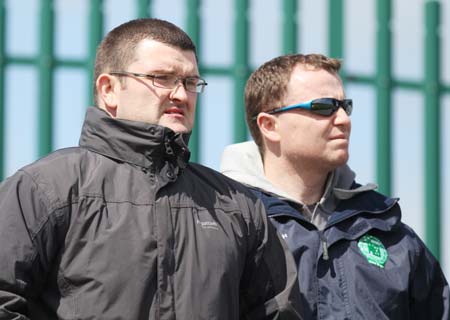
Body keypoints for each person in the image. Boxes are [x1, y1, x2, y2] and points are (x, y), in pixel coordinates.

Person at [0, 18, 303, 320]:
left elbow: (278, 311)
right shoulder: (46, 187)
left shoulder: (237, 204)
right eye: (162, 78)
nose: (181, 95)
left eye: (190, 82)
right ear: (109, 89)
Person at [220, 53, 450, 319]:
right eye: (324, 107)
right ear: (270, 125)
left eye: (345, 106)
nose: (343, 119)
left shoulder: (391, 233)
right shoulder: (222, 225)